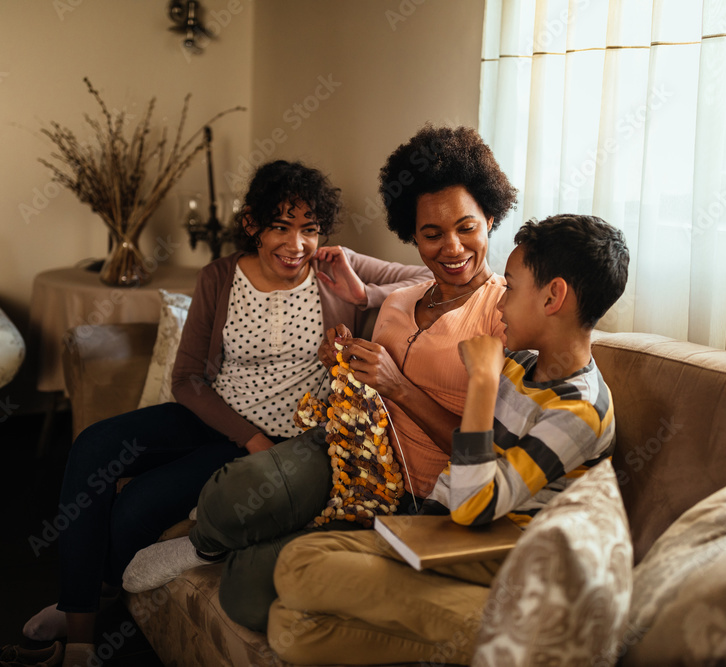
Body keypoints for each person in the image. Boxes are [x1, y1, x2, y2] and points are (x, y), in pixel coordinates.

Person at [21, 160, 431, 667]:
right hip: (214, 419)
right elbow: (187, 378)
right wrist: (247, 436)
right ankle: (78, 622)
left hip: (285, 441)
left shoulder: (334, 266)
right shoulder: (219, 277)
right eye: (280, 227)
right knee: (92, 447)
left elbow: (432, 276)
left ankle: (92, 600)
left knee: (136, 508)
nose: (295, 244)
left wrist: (363, 292)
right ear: (252, 226)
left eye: (309, 229)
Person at [121, 125, 520, 633]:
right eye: (431, 234)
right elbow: (370, 320)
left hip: (418, 495)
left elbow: (495, 454)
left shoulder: (505, 312)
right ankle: (210, 540)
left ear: (490, 218)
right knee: (229, 493)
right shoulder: (401, 297)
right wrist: (343, 353)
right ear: (412, 236)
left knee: (245, 592)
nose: (452, 248)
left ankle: (311, 550)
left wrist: (399, 387)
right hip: (344, 451)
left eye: (467, 228)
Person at [265, 213, 631, 665]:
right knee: (290, 627)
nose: (499, 305)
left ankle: (537, 635)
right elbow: (473, 464)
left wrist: (481, 382)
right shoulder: (518, 365)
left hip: (502, 556)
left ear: (553, 296)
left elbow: (474, 503)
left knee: (298, 568)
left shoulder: (579, 410)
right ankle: (485, 638)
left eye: (511, 288)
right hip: (445, 535)